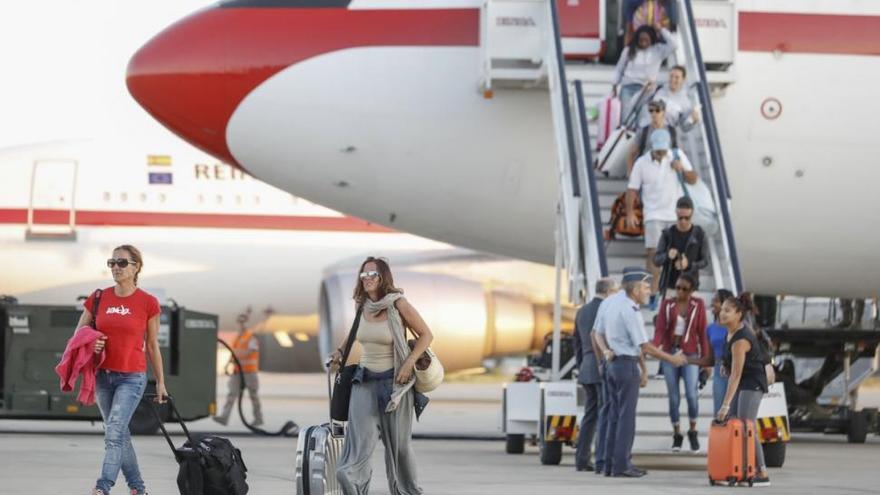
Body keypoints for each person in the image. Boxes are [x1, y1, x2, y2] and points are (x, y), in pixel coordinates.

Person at [330, 256, 433, 495]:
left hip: (395, 384)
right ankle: (354, 488)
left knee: (399, 449)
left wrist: (408, 363)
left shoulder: (398, 304)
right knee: (357, 447)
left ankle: (406, 491)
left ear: (383, 277)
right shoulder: (361, 305)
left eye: (372, 274)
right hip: (363, 382)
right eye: (363, 275)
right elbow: (354, 333)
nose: (367, 279)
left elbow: (426, 335)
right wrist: (339, 351)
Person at [75, 245, 166, 495]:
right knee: (119, 433)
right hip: (103, 376)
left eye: (122, 263)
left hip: (132, 377)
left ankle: (103, 487)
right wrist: (92, 340)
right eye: (112, 262)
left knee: (114, 432)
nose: (116, 267)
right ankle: (138, 488)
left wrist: (160, 381)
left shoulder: (148, 302)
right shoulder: (98, 297)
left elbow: (152, 345)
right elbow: (79, 333)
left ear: (136, 267)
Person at [593, 267, 687, 477]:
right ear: (635, 289)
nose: (648, 292)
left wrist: (606, 353)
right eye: (645, 287)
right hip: (625, 365)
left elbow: (597, 333)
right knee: (626, 418)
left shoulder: (610, 302)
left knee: (613, 416)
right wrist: (672, 359)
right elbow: (645, 346)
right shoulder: (631, 310)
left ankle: (608, 464)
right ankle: (622, 465)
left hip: (611, 364)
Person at [687, 293, 771, 486]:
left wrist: (725, 404)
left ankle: (761, 472)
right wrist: (725, 364)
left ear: (739, 314)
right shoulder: (730, 331)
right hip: (744, 381)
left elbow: (736, 375)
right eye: (722, 309)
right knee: (734, 423)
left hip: (752, 382)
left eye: (727, 310)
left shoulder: (741, 338)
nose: (722, 313)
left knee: (747, 425)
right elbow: (730, 364)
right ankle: (737, 468)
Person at [626, 129, 697, 306]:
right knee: (653, 255)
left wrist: (681, 169)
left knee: (679, 257)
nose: (661, 154)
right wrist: (629, 213)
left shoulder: (676, 155)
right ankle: (653, 294)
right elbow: (632, 189)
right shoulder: (642, 163)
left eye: (663, 150)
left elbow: (693, 178)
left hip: (676, 215)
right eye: (658, 150)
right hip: (653, 214)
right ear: (652, 148)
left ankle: (678, 295)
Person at [653, 273, 709, 452]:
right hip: (670, 352)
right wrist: (654, 347)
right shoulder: (667, 304)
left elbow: (702, 333)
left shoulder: (697, 305)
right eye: (677, 287)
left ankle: (692, 430)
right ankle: (677, 434)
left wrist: (705, 361)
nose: (680, 291)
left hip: (690, 354)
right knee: (674, 397)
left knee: (692, 395)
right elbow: (660, 329)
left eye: (684, 289)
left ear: (691, 290)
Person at [573, 277, 620, 472]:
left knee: (590, 415)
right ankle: (602, 458)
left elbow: (576, 342)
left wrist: (581, 364)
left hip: (586, 367)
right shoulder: (608, 309)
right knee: (604, 414)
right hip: (602, 365)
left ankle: (581, 459)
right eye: (616, 290)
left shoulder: (581, 311)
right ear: (609, 291)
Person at [612, 25, 678, 119]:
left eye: (646, 40)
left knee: (643, 119)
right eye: (641, 40)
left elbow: (674, 44)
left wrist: (661, 30)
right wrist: (614, 85)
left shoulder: (658, 50)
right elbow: (619, 68)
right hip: (628, 88)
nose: (643, 43)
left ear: (652, 39)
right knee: (625, 119)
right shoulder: (629, 50)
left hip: (647, 90)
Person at [214, 314, 264, 426]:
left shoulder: (251, 337)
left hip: (249, 372)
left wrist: (237, 354)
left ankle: (258, 418)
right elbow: (233, 354)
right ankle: (224, 417)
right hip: (237, 372)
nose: (241, 324)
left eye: (243, 322)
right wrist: (227, 365)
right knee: (231, 394)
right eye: (240, 322)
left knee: (253, 396)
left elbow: (250, 351)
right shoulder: (237, 337)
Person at [653, 196, 709, 293]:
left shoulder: (699, 234)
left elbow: (705, 261)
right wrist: (667, 255)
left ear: (692, 214)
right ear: (676, 213)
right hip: (670, 287)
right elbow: (656, 260)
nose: (683, 221)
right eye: (680, 218)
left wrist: (689, 264)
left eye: (687, 218)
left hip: (690, 288)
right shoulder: (668, 233)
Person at [628, 98, 678, 175]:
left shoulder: (672, 131)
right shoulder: (643, 131)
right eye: (651, 111)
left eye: (657, 110)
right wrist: (632, 174)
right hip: (646, 171)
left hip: (667, 172)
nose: (654, 113)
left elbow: (678, 152)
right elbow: (632, 153)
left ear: (663, 112)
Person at [707, 289, 734, 414]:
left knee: (733, 411)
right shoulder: (710, 328)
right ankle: (719, 434)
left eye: (716, 301)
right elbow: (709, 357)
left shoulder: (736, 326)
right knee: (718, 411)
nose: (712, 303)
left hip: (736, 370)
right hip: (719, 369)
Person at [649, 65, 700, 131]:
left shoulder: (686, 103)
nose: (673, 79)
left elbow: (684, 128)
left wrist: (693, 121)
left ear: (683, 80)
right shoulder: (659, 89)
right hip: (648, 129)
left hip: (664, 134)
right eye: (671, 76)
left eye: (677, 77)